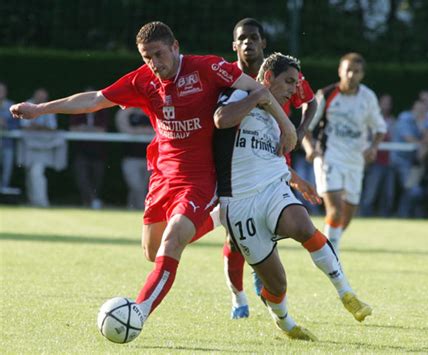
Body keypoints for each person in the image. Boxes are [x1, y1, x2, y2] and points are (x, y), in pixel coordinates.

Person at [10, 21, 297, 337]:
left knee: (174, 241)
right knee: (152, 252)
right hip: (162, 178)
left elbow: (258, 90)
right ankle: (216, 217)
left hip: (200, 180)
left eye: (159, 55)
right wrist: (39, 110)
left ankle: (138, 314)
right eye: (147, 57)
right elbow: (93, 99)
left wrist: (287, 126)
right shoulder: (143, 80)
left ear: (175, 47)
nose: (154, 64)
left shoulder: (208, 67)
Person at [214, 53, 372, 341]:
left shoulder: (279, 118)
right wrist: (258, 97)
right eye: (288, 82)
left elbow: (271, 159)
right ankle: (285, 322)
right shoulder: (237, 95)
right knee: (276, 283)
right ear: (267, 78)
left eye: (296, 83)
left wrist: (295, 179)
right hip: (238, 202)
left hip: (273, 190)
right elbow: (221, 119)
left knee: (302, 226)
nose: (293, 89)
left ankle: (346, 292)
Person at [223, 18, 319, 319]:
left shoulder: (280, 72)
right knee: (234, 239)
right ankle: (239, 296)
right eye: (243, 38)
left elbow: (311, 102)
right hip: (235, 169)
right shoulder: (225, 76)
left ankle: (264, 287)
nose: (249, 43)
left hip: (274, 163)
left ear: (264, 42)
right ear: (235, 45)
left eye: (255, 37)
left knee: (273, 228)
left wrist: (299, 133)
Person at [302, 53, 387, 253]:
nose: (351, 75)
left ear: (362, 75)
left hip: (355, 161)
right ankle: (331, 256)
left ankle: (326, 245)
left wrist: (373, 147)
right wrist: (309, 147)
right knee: (336, 211)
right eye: (347, 70)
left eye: (356, 71)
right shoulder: (326, 94)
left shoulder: (368, 97)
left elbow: (380, 128)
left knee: (346, 216)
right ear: (340, 71)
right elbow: (305, 126)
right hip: (328, 158)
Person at [17, 88, 66, 207]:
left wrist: (37, 126)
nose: (41, 99)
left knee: (37, 172)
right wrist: (41, 127)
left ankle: (42, 202)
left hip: (43, 147)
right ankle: (32, 201)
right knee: (29, 173)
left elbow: (52, 128)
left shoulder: (49, 107)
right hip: (28, 146)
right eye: (39, 97)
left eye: (44, 97)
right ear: (34, 95)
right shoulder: (25, 105)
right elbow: (24, 126)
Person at [392, 100, 428, 217]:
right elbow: (409, 138)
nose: (421, 112)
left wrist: (421, 125)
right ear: (413, 108)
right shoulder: (405, 118)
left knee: (413, 190)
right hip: (401, 160)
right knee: (411, 189)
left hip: (416, 162)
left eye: (423, 110)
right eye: (418, 109)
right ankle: (403, 214)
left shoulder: (425, 120)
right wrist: (423, 143)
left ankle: (406, 215)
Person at [69, 93, 109, 209]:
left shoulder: (102, 112)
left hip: (98, 153)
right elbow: (73, 129)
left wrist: (84, 129)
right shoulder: (77, 112)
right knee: (82, 178)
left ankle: (92, 200)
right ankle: (91, 201)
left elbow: (103, 130)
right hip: (81, 151)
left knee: (97, 179)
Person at [360, 94, 397, 217]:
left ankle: (385, 216)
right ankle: (364, 216)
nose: (386, 106)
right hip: (375, 162)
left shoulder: (393, 121)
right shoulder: (370, 120)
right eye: (384, 103)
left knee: (388, 193)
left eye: (388, 103)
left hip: (389, 163)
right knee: (370, 193)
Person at [115, 107, 154, 209]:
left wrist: (137, 131)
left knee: (145, 188)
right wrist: (145, 130)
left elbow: (157, 131)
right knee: (136, 186)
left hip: (150, 159)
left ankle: (132, 209)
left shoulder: (152, 111)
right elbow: (125, 129)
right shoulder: (126, 113)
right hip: (130, 158)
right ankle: (141, 209)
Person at [0, 82, 19, 190]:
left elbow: (17, 125)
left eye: (2, 90)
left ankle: (4, 194)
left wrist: (6, 124)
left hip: (7, 144)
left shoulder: (12, 106)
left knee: (7, 170)